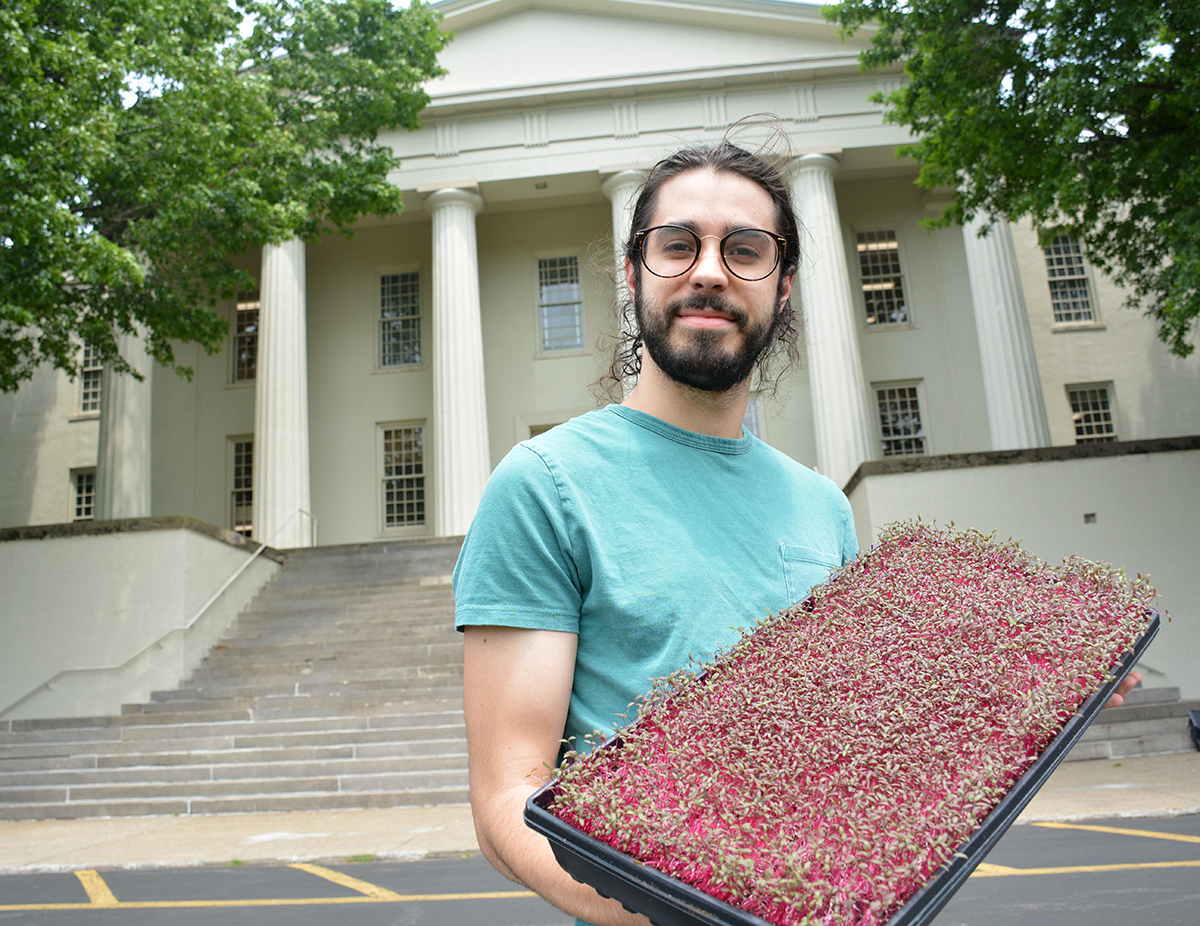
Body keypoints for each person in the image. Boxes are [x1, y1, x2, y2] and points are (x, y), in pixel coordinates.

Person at [451, 140, 1140, 926]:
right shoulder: (545, 484)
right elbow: (509, 801)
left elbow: (861, 757)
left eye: (744, 249)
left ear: (783, 289)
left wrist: (1029, 691)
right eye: (678, 244)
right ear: (633, 272)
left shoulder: (823, 508)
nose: (708, 269)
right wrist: (700, 914)